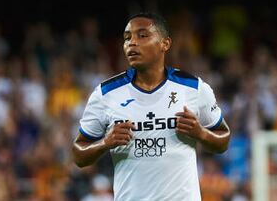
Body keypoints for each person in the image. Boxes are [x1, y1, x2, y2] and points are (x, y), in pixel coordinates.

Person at [72, 12, 231, 201]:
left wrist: (201, 133)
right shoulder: (106, 94)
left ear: (165, 44)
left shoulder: (194, 88)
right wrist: (105, 143)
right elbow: (78, 155)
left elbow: (223, 139)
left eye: (142, 35)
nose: (132, 43)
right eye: (127, 38)